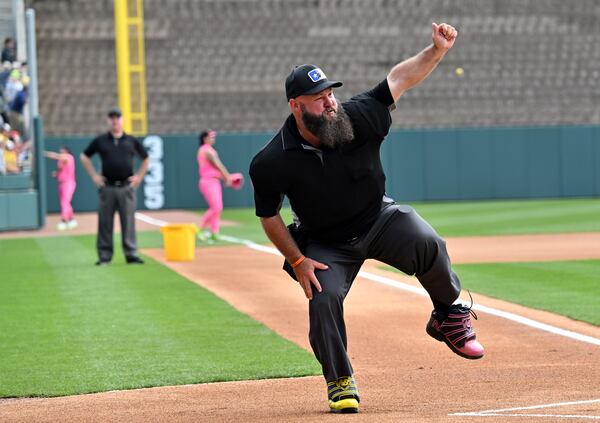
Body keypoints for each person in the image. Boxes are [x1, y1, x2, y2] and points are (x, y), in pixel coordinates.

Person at [249, 23, 484, 414]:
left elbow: (398, 78)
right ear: (295, 105)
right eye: (318, 98)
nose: (329, 104)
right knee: (322, 296)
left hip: (378, 219)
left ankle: (447, 316)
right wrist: (297, 260)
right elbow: (269, 216)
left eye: (329, 94)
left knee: (427, 240)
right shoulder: (272, 161)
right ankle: (339, 379)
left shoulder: (358, 116)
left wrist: (436, 51)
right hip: (326, 242)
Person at [80, 108, 149, 265]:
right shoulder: (101, 140)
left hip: (126, 187)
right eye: (112, 118)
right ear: (108, 121)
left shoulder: (131, 140)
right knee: (105, 223)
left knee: (129, 222)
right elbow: (84, 156)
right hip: (108, 187)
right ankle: (104, 256)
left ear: (122, 120)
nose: (115, 121)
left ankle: (131, 254)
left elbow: (146, 158)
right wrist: (94, 176)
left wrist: (139, 176)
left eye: (117, 117)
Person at [196, 129, 237, 242]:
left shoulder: (205, 150)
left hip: (212, 181)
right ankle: (200, 229)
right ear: (205, 139)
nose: (213, 139)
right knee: (216, 207)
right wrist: (228, 177)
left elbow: (215, 170)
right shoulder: (207, 151)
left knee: (217, 208)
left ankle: (214, 232)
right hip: (208, 181)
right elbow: (219, 166)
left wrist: (226, 178)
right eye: (211, 137)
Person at [45, 146, 77, 230]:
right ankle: (71, 220)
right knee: (65, 202)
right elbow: (60, 169)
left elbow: (57, 156)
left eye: (63, 150)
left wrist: (45, 153)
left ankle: (63, 220)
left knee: (65, 202)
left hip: (69, 183)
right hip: (61, 183)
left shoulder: (69, 157)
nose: (61, 152)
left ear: (67, 151)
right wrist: (56, 174)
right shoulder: (61, 161)